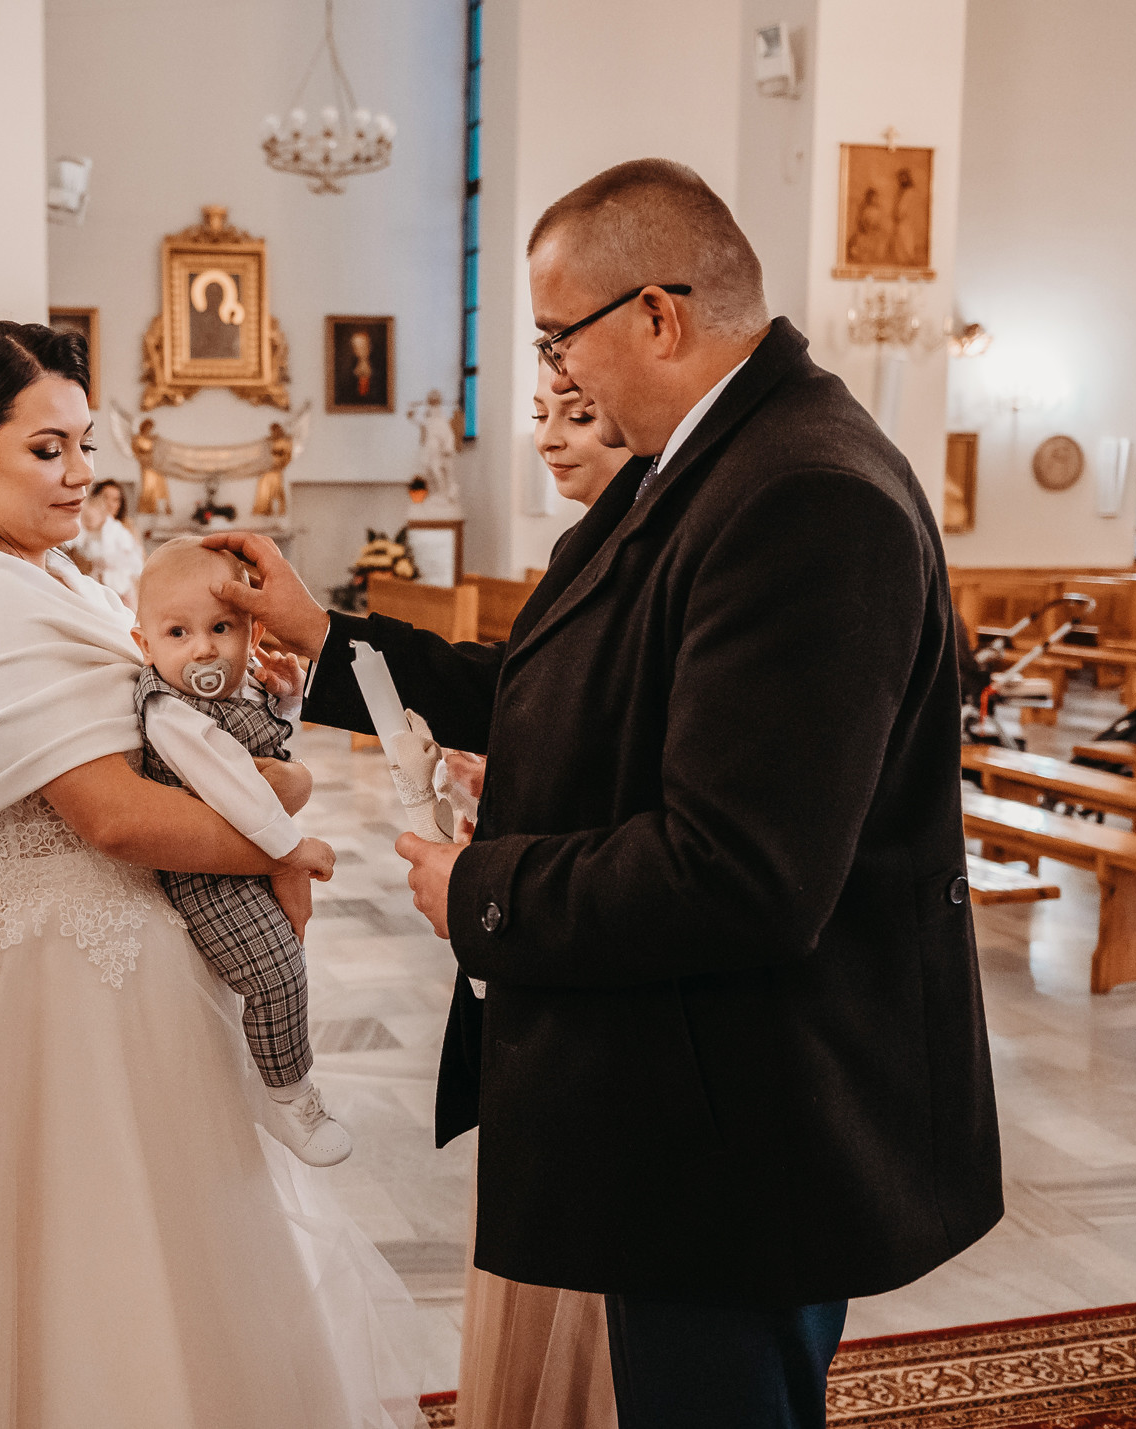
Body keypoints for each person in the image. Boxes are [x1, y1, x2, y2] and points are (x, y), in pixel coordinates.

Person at [207, 158, 1002, 1429]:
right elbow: (552, 680)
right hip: (690, 1088)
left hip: (751, 1114)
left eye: (555, 338)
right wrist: (324, 638)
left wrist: (483, 889)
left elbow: (742, 871)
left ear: (656, 315)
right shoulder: (694, 464)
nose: (555, 374)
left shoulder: (804, 495)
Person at [0, 320, 421, 1429]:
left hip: (122, 966)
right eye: (45, 448)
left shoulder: (37, 576)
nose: (77, 471)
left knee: (170, 1264)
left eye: (84, 444)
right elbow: (111, 815)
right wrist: (280, 840)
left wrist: (263, 727)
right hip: (76, 986)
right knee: (101, 1280)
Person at [450, 362, 628, 1429]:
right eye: (541, 416)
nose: (550, 438)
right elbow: (543, 708)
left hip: (598, 926)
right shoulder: (579, 547)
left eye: (580, 415)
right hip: (559, 922)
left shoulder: (673, 535)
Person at [130, 538, 352, 1166]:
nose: (203, 649)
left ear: (252, 632)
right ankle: (288, 1099)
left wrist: (287, 699)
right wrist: (292, 850)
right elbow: (237, 787)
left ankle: (271, 1074)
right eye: (178, 633)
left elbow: (269, 747)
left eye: (221, 628)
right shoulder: (171, 711)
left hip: (244, 858)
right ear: (145, 644)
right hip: (207, 875)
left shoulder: (232, 691)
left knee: (285, 959)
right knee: (274, 972)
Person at [74, 476, 143, 605]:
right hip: (93, 589)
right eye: (105, 498)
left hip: (123, 590)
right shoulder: (84, 527)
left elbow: (137, 564)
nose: (110, 504)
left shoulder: (125, 529)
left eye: (115, 500)